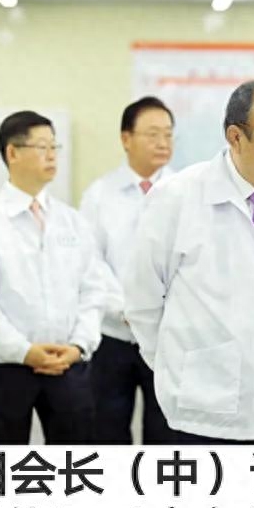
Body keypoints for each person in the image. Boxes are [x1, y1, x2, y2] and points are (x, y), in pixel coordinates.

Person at [124, 79, 254, 444]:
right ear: (236, 137)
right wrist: (183, 369)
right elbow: (143, 303)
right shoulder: (177, 198)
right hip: (206, 419)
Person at [0, 110, 107, 444]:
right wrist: (24, 351)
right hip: (7, 368)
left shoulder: (72, 221)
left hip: (68, 363)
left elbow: (93, 290)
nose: (52, 155)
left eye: (54, 146)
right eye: (41, 147)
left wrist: (79, 345)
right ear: (12, 153)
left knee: (76, 461)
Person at [80, 96, 177, 444]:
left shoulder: (183, 192)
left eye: (168, 134)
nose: (163, 142)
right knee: (107, 431)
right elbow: (90, 261)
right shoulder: (99, 195)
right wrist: (126, 309)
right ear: (126, 138)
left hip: (168, 338)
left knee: (166, 435)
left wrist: (155, 310)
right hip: (112, 335)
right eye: (152, 134)